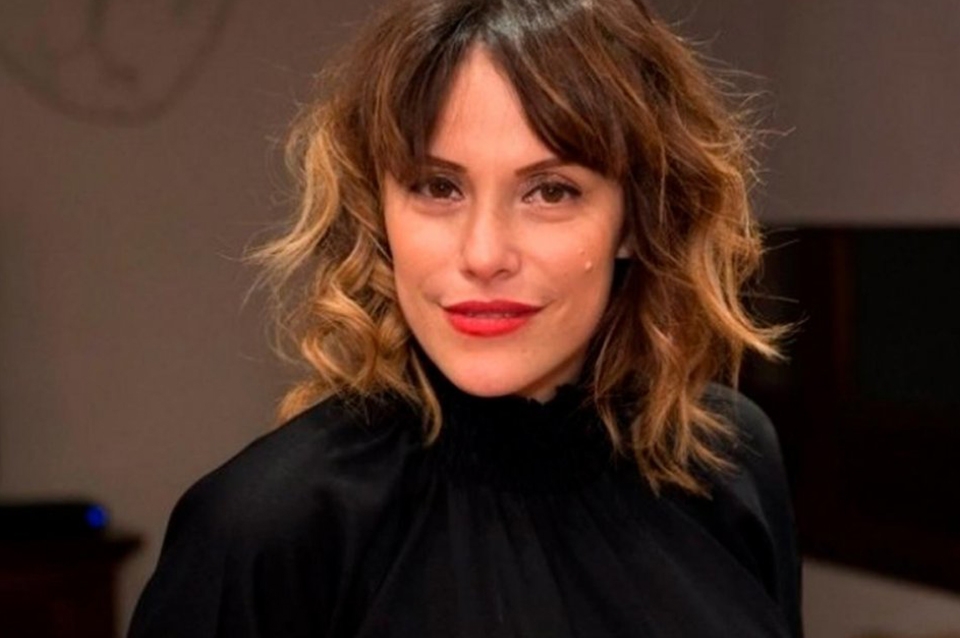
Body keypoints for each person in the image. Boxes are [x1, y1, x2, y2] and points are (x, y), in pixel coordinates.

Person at [129, 0, 802, 636]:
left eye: (550, 191)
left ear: (636, 219)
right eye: (437, 187)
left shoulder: (730, 459)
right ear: (377, 210)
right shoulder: (266, 529)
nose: (483, 255)